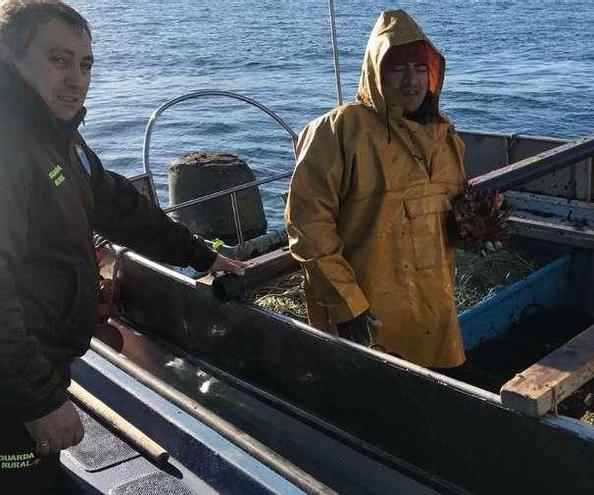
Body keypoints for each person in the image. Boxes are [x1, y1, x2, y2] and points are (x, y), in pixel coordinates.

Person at [0, 1, 245, 493]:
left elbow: (120, 207)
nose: (76, 79)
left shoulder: (57, 140)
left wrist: (202, 256)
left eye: (85, 63)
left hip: (37, 362)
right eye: (58, 59)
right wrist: (39, 401)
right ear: (9, 55)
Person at [285, 10, 467, 369]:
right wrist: (347, 305)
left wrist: (474, 229)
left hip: (434, 310)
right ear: (375, 70)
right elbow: (307, 225)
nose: (411, 81)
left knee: (432, 400)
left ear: (432, 73)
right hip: (366, 316)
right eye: (398, 68)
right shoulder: (337, 131)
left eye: (419, 68)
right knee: (362, 404)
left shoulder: (446, 138)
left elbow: (448, 214)